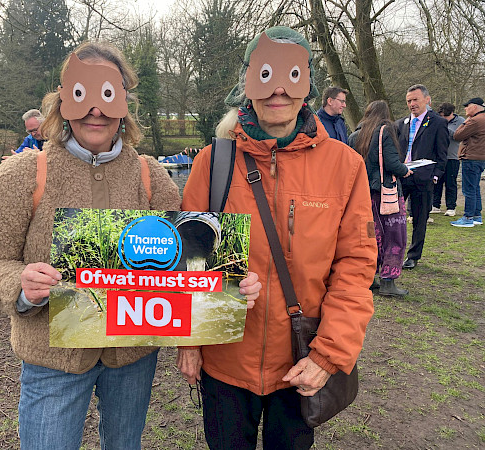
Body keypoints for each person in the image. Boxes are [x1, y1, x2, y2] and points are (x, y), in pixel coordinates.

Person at [0, 41, 262, 450]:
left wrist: (227, 285)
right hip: (53, 360)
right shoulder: (22, 174)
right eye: (83, 95)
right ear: (63, 100)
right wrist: (19, 282)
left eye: (108, 95)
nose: (96, 109)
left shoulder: (149, 175)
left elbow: (187, 256)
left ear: (123, 102)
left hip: (131, 360)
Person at [176, 27, 376, 449]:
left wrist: (327, 356)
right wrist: (190, 343)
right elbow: (189, 259)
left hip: (301, 363)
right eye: (266, 76)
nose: (278, 91)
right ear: (247, 83)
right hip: (225, 362)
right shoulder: (213, 163)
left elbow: (355, 269)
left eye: (292, 77)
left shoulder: (346, 166)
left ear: (308, 86)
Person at [349, 101, 412, 296]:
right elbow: (393, 163)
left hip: (363, 194)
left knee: (370, 236)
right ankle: (388, 281)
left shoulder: (355, 135)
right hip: (386, 194)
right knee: (394, 236)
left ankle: (369, 278)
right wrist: (406, 170)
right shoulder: (386, 131)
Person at [395, 84, 449, 269]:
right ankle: (392, 252)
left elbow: (442, 154)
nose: (412, 104)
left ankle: (413, 256)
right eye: (409, 101)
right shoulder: (400, 124)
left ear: (427, 99)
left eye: (415, 99)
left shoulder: (438, 123)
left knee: (419, 219)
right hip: (401, 176)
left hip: (423, 178)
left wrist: (435, 176)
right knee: (394, 217)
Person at [450, 97, 485, 227]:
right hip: (481, 158)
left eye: (467, 106)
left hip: (471, 157)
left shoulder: (474, 121)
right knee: (475, 187)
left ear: (474, 107)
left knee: (469, 189)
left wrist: (467, 121)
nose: (465, 109)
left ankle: (468, 217)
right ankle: (477, 215)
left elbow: (457, 135)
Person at [431, 103, 464, 217]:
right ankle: (435, 205)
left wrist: (444, 128)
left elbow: (457, 136)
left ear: (451, 114)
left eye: (444, 117)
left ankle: (451, 207)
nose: (443, 119)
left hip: (452, 157)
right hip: (439, 157)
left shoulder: (460, 121)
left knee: (451, 183)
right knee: (437, 182)